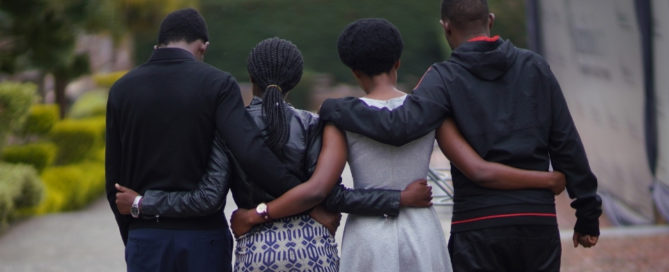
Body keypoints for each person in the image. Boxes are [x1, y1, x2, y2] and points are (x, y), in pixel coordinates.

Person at [232, 18, 568, 272]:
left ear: (353, 69)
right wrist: (547, 179)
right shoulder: (430, 110)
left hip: (367, 238)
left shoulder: (340, 116)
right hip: (421, 230)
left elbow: (325, 191)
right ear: (397, 62)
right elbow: (477, 168)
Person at [318, 1, 603, 271]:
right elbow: (567, 143)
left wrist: (336, 107)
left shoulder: (442, 78)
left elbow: (398, 126)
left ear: (446, 27)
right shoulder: (536, 67)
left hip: (478, 224)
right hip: (536, 219)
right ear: (490, 20)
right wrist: (587, 214)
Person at [114, 37, 435, 272]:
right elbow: (330, 195)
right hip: (314, 248)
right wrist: (396, 198)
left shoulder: (231, 128)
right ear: (296, 81)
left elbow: (208, 197)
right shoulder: (313, 124)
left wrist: (144, 202)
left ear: (251, 78)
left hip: (257, 250)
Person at [106, 9, 304, 272]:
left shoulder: (122, 89)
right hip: (202, 238)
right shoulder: (218, 84)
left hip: (146, 236)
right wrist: (299, 194)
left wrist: (134, 234)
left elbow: (114, 183)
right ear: (203, 46)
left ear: (158, 45)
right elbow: (249, 151)